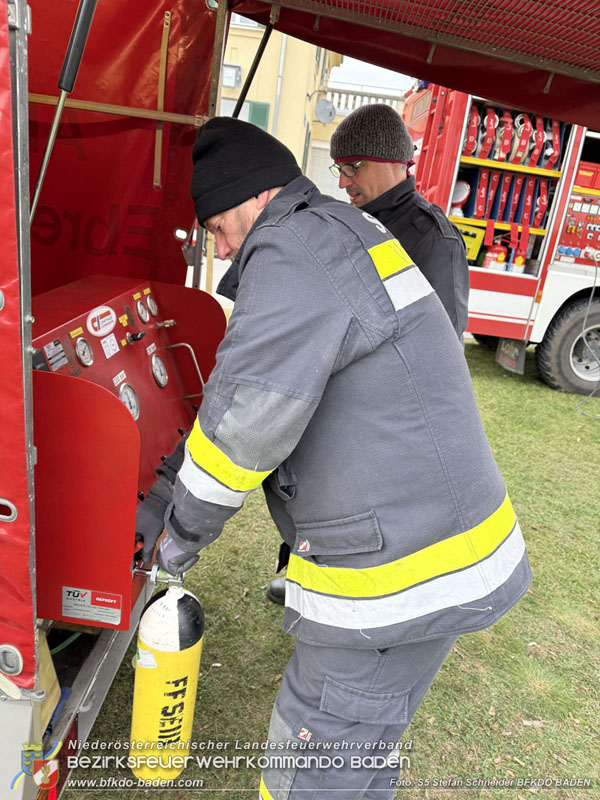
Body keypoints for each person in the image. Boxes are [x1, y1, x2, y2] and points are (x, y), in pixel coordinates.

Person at [139, 117, 531, 800]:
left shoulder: (293, 254)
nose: (222, 249)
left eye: (217, 230)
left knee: (309, 769)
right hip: (443, 543)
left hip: (399, 579)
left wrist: (170, 542)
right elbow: (249, 395)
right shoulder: (334, 230)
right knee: (361, 757)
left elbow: (243, 432)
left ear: (249, 201)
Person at [330, 102, 469, 338]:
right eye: (339, 169)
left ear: (393, 161)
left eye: (352, 168)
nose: (342, 182)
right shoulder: (352, 222)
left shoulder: (434, 240)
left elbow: (441, 347)